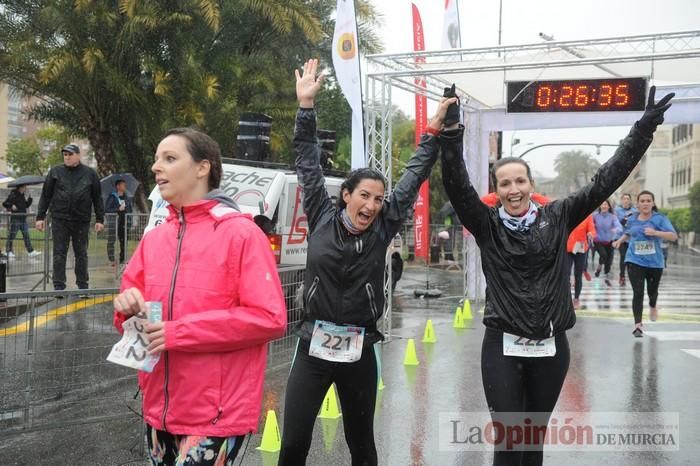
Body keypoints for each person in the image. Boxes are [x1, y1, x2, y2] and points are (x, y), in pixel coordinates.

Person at [440, 86, 673, 465]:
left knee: (533, 441)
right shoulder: (485, 225)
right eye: (505, 183)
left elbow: (605, 181)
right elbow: (456, 184)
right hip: (502, 346)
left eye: (520, 181)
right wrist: (452, 131)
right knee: (509, 441)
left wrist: (643, 129)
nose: (514, 189)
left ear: (531, 185)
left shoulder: (559, 215)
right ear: (497, 191)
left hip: (551, 347)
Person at [278, 59, 458, 466]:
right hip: (314, 345)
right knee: (293, 445)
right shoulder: (322, 216)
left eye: (378, 199)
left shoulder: (383, 227)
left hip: (359, 348)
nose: (372, 205)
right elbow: (307, 160)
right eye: (365, 196)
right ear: (347, 195)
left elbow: (413, 174)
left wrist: (431, 132)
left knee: (363, 446)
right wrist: (305, 107)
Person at [113, 127, 287, 466]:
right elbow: (133, 321)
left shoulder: (242, 233)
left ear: (202, 168)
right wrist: (127, 309)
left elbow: (270, 318)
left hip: (216, 416)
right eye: (156, 159)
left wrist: (179, 333)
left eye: (170, 158)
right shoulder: (155, 239)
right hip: (158, 410)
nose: (156, 168)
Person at [36, 144, 104, 293]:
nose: (67, 157)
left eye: (70, 154)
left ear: (78, 156)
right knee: (59, 252)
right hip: (60, 219)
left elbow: (97, 198)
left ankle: (82, 285)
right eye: (65, 154)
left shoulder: (90, 173)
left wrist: (100, 219)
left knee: (81, 253)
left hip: (81, 220)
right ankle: (59, 286)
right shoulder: (55, 172)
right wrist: (40, 217)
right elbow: (46, 195)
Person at [613, 191, 677, 337]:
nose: (645, 203)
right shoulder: (632, 218)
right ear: (638, 204)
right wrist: (619, 241)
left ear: (653, 203)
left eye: (648, 200)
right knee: (638, 292)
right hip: (634, 260)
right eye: (642, 201)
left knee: (652, 292)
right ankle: (637, 325)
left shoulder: (660, 219)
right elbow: (629, 232)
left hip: (655, 262)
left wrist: (655, 233)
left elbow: (673, 236)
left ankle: (653, 305)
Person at [3, 185, 41, 258]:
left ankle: (30, 251)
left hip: (23, 219)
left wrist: (30, 198)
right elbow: (5, 203)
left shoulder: (22, 195)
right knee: (12, 236)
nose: (26, 188)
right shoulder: (13, 194)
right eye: (24, 187)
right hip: (16, 219)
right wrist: (11, 206)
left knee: (26, 236)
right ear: (20, 187)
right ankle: (8, 251)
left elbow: (26, 205)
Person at [567, 215, 596, 310]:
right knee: (565, 274)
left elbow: (592, 229)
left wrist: (591, 234)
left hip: (581, 248)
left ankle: (576, 299)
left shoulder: (587, 216)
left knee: (578, 275)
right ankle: (566, 298)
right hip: (568, 248)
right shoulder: (568, 211)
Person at [592, 199, 622, 286]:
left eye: (606, 205)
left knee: (609, 261)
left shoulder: (612, 217)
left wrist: (615, 229)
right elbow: (590, 226)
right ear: (600, 206)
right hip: (598, 241)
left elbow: (619, 226)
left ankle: (606, 276)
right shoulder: (595, 216)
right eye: (602, 204)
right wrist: (593, 228)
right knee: (603, 254)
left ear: (609, 207)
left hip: (609, 241)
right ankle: (599, 267)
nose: (604, 206)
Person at [104, 179, 133, 266]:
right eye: (123, 185)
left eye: (125, 185)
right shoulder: (112, 197)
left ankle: (122, 259)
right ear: (118, 186)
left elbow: (130, 209)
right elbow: (107, 210)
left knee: (124, 241)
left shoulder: (126, 197)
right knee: (111, 241)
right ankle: (111, 259)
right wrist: (118, 209)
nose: (125, 186)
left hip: (124, 223)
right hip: (114, 223)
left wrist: (129, 220)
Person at [614, 193, 637, 285]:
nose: (626, 200)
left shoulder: (634, 211)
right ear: (622, 200)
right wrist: (626, 217)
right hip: (620, 237)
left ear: (630, 200)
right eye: (624, 199)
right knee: (623, 256)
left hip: (631, 238)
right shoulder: (617, 210)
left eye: (628, 198)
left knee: (630, 258)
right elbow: (618, 222)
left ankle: (630, 276)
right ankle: (622, 276)